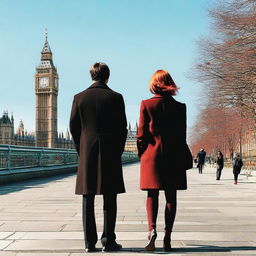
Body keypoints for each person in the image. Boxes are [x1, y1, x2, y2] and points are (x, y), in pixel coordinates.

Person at [69, 62, 127, 252]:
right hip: (110, 152)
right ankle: (108, 241)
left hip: (87, 152)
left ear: (91, 76)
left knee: (88, 198)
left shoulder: (79, 98)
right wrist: (117, 150)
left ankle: (88, 243)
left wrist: (82, 148)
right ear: (107, 76)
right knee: (110, 197)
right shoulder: (116, 98)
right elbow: (122, 129)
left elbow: (74, 127)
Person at [137, 70, 193, 251]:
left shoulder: (146, 104)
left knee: (152, 195)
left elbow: (141, 135)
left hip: (152, 157)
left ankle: (152, 230)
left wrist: (143, 154)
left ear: (154, 84)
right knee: (171, 197)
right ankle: (168, 237)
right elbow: (181, 136)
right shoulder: (180, 107)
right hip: (174, 156)